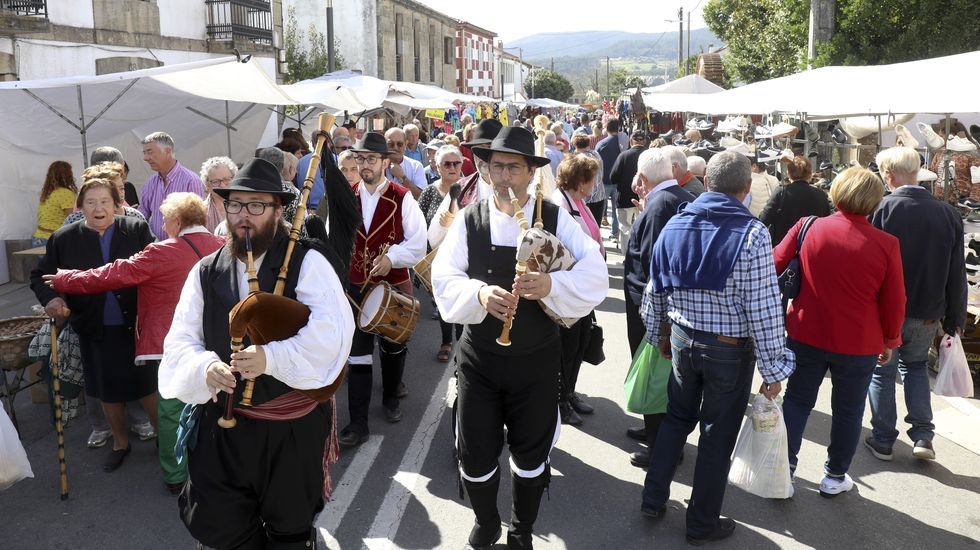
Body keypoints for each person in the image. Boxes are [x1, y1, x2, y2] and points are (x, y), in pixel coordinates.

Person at [159, 158, 354, 549]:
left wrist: (273, 358)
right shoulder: (206, 271)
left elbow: (334, 333)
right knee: (225, 530)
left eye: (256, 206)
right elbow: (180, 341)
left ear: (279, 210)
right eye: (235, 205)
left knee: (289, 532)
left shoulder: (308, 261)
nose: (243, 216)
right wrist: (205, 366)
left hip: (289, 429)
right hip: (223, 427)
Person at [431, 126, 607, 550]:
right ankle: (487, 520)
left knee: (531, 452)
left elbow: (594, 271)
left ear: (531, 172)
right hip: (481, 360)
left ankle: (522, 527)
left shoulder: (555, 216)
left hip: (537, 361)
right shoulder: (469, 218)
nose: (504, 176)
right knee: (474, 453)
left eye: (514, 167)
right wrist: (478, 293)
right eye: (497, 167)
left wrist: (552, 286)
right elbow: (443, 278)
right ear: (487, 170)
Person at [640, 152, 794, 545]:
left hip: (681, 337)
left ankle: (653, 497)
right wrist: (775, 369)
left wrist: (657, 333)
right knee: (716, 435)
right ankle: (701, 522)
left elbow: (655, 287)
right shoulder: (752, 234)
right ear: (746, 190)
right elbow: (762, 309)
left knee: (676, 419)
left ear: (706, 182)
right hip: (727, 348)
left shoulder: (676, 222)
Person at [46, 192, 225, 493]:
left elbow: (113, 274)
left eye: (166, 219)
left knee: (171, 409)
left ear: (177, 221)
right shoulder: (222, 246)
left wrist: (66, 280)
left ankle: (174, 474)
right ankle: (217, 464)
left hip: (169, 342)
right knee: (215, 404)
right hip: (216, 338)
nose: (162, 224)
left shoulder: (161, 251)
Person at [773, 166, 906, 496]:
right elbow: (894, 301)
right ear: (875, 202)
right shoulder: (886, 244)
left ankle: (785, 468)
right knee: (848, 410)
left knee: (798, 400)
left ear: (834, 193)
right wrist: (890, 339)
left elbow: (773, 263)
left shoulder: (807, 227)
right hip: (859, 340)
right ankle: (834, 476)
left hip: (806, 330)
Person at [31, 176, 156, 472]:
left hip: (137, 324)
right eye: (91, 202)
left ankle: (164, 439)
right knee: (106, 388)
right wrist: (51, 299)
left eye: (104, 202)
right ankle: (120, 442)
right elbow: (40, 277)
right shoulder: (64, 238)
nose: (98, 208)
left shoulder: (135, 230)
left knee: (148, 384)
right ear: (80, 207)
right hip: (93, 326)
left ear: (116, 204)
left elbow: (154, 269)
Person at [867, 147, 967, 462]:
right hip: (929, 309)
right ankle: (923, 434)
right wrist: (956, 316)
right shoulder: (948, 213)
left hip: (886, 310)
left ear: (888, 174)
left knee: (883, 371)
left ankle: (883, 439)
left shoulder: (882, 208)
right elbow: (957, 271)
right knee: (916, 368)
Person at [339, 132, 426, 447]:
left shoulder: (403, 197)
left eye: (371, 159)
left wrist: (392, 257)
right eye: (360, 159)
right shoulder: (347, 196)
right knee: (358, 355)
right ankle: (357, 423)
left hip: (393, 284)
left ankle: (391, 396)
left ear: (386, 163)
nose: (364, 164)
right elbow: (337, 240)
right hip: (357, 286)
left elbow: (418, 243)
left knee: (392, 345)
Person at [622, 148, 695, 469]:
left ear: (641, 178)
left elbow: (654, 262)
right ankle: (656, 431)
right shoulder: (679, 197)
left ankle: (661, 447)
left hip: (651, 308)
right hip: (667, 308)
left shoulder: (660, 206)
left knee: (655, 377)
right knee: (662, 378)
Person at [550, 153, 605, 427]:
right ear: (580, 179)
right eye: (591, 178)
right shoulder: (559, 204)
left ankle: (569, 393)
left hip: (582, 287)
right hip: (567, 288)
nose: (594, 184)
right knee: (566, 348)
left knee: (581, 342)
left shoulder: (578, 202)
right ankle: (559, 402)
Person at [418, 145, 465, 362]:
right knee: (444, 301)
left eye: (457, 163)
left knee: (464, 303)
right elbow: (419, 225)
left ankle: (463, 350)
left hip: (466, 257)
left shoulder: (470, 189)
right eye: (447, 163)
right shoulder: (429, 192)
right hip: (436, 258)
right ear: (437, 167)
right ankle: (447, 342)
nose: (452, 167)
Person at [427, 119, 503, 249]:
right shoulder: (461, 188)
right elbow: (433, 239)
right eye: (478, 150)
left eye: (488, 149)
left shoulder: (517, 188)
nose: (482, 157)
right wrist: (446, 226)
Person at [139, 132, 206, 240]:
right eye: (144, 153)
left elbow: (198, 221)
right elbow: (142, 214)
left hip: (183, 251)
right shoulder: (150, 182)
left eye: (150, 152)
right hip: (156, 249)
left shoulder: (190, 180)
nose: (145, 158)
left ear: (168, 151)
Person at [760, 155, 832, 245]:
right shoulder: (821, 195)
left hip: (783, 249)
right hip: (810, 249)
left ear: (788, 173)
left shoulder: (781, 192)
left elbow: (763, 220)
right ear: (810, 174)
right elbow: (826, 224)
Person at [609, 130, 648, 245]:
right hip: (645, 198)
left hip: (625, 198)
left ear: (631, 141)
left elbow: (613, 177)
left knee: (625, 228)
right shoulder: (649, 155)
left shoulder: (624, 155)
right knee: (643, 227)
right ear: (644, 142)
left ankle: (627, 256)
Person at [33, 160, 78, 246]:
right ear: (68, 175)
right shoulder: (65, 193)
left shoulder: (48, 192)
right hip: (52, 239)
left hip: (39, 237)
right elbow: (73, 219)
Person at [596, 118, 623, 241]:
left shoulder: (602, 143)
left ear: (606, 128)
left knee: (600, 209)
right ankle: (615, 233)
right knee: (615, 210)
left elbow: (596, 162)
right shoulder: (623, 142)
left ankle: (597, 234)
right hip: (618, 181)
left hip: (604, 180)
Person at [571, 133, 606, 224]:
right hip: (600, 196)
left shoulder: (580, 159)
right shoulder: (596, 154)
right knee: (596, 228)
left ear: (576, 146)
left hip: (585, 199)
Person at [385, 127, 427, 198]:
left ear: (406, 144)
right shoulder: (377, 166)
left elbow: (421, 197)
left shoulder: (416, 166)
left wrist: (402, 178)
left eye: (399, 144)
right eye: (391, 144)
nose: (395, 148)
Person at [199, 156, 238, 233]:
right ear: (206, 184)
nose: (222, 185)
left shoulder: (243, 206)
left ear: (234, 179)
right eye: (215, 181)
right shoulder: (201, 212)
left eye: (226, 179)